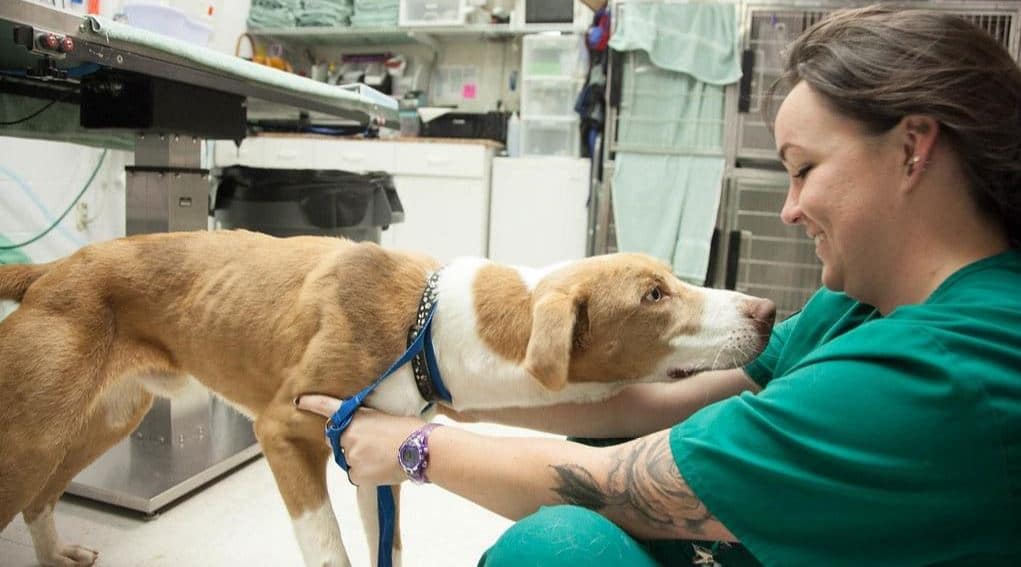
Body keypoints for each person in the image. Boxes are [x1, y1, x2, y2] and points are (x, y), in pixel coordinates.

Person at [296, 7, 1021, 565]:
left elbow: (620, 478)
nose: (788, 206)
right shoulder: (855, 306)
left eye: (802, 169)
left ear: (910, 147)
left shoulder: (945, 370)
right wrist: (455, 384)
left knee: (557, 547)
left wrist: (416, 446)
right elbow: (656, 402)